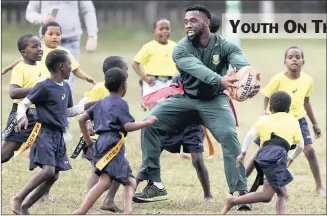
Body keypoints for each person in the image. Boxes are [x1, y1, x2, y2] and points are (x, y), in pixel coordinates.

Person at [134, 5, 260, 211]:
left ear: (207, 23)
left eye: (193, 20)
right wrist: (221, 79)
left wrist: (249, 78)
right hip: (186, 99)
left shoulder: (226, 46)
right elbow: (198, 70)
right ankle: (154, 184)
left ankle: (240, 193)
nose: (188, 25)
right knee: (150, 124)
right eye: (185, 22)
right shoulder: (181, 49)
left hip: (215, 101)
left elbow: (241, 63)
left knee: (229, 135)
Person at [10, 49, 96, 215]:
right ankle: (18, 198)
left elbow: (69, 111)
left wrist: (88, 105)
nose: (72, 67)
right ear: (62, 66)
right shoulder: (44, 86)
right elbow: (23, 104)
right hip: (44, 133)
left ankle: (25, 206)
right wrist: (22, 118)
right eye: (70, 64)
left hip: (58, 135)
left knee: (54, 175)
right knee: (48, 171)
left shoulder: (66, 88)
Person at [73, 67, 158, 214]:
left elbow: (81, 119)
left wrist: (88, 140)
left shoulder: (100, 102)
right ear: (124, 86)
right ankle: (126, 211)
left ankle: (82, 211)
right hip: (113, 144)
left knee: (105, 180)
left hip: (100, 143)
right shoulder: (120, 103)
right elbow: (128, 126)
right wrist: (147, 123)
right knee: (129, 181)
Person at [245, 46, 326, 197]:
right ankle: (242, 183)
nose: (294, 59)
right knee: (259, 152)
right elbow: (266, 96)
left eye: (297, 57)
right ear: (285, 62)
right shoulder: (278, 79)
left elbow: (306, 102)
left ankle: (320, 187)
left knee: (310, 151)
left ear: (303, 61)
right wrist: (265, 113)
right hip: (277, 122)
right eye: (290, 57)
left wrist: (315, 123)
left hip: (298, 121)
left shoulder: (308, 80)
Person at [220, 91, 304, 215]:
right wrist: (290, 159)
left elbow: (249, 134)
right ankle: (233, 201)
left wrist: (243, 153)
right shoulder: (293, 121)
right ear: (289, 109)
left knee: (282, 193)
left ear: (269, 108)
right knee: (266, 196)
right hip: (277, 157)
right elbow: (301, 146)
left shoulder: (264, 119)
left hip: (263, 155)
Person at [133, 75, 214, 203]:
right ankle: (133, 189)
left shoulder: (203, 77)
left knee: (198, 160)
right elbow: (170, 97)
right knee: (150, 155)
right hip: (173, 124)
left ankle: (208, 196)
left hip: (193, 126)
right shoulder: (178, 78)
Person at [77, 56, 129, 214]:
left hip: (113, 141)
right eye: (125, 69)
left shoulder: (119, 91)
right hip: (97, 139)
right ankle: (89, 205)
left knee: (119, 168)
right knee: (96, 170)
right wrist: (87, 124)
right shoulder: (101, 87)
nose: (127, 72)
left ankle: (109, 200)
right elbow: (81, 106)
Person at [25, 0, 98, 89]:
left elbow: (88, 10)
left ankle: (64, 102)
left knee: (66, 82)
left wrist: (92, 35)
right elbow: (30, 12)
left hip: (71, 41)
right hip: (46, 43)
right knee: (44, 78)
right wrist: (42, 19)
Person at [1, 22, 96, 88]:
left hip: (58, 85)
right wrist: (6, 69)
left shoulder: (64, 53)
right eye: (50, 34)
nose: (54, 37)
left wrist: (86, 77)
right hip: (40, 84)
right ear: (42, 37)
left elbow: (75, 69)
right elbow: (22, 60)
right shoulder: (38, 50)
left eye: (58, 34)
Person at [1, 34, 47, 163]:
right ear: (23, 52)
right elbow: (13, 93)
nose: (39, 49)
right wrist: (38, 89)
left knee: (48, 158)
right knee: (5, 155)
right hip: (23, 116)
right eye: (34, 47)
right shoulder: (19, 69)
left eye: (40, 45)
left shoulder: (42, 66)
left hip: (41, 115)